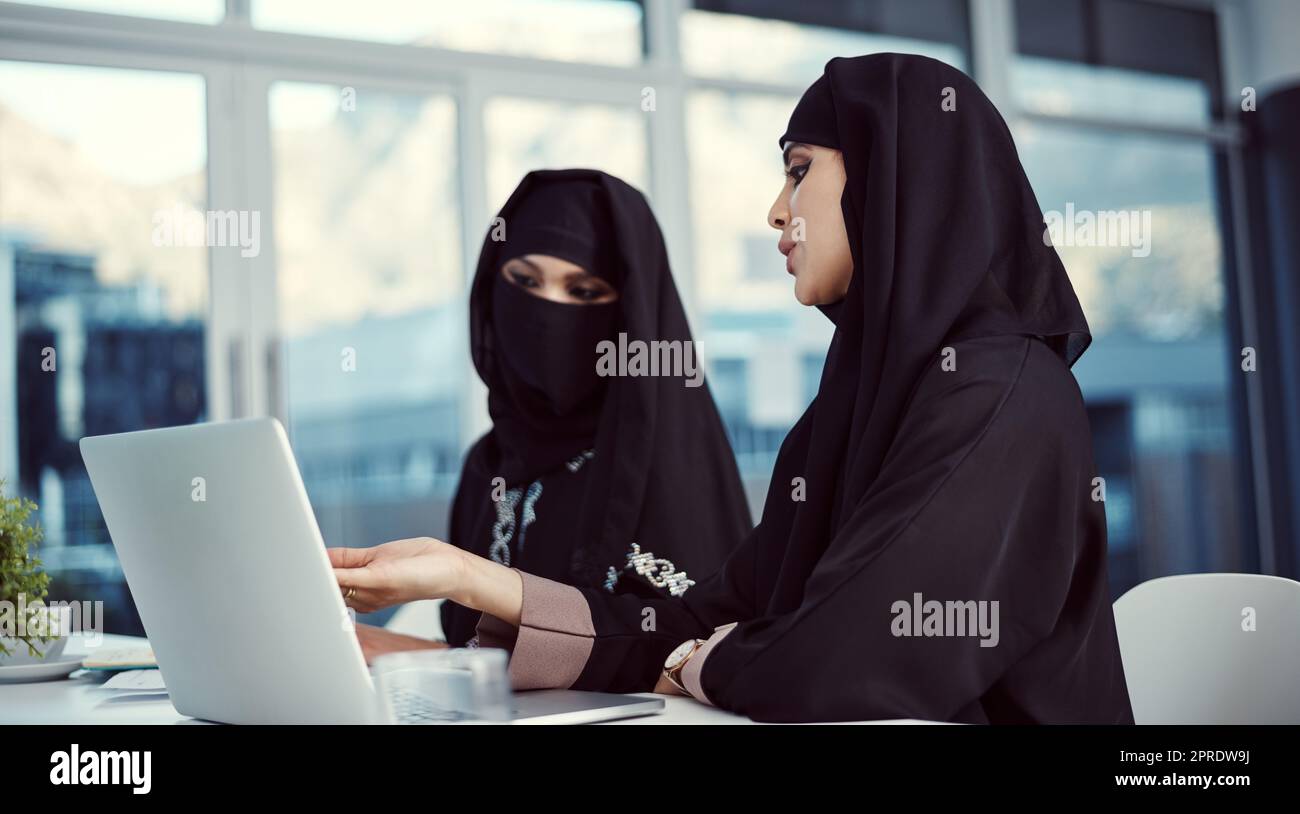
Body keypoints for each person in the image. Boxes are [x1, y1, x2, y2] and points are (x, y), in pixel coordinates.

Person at [332, 56, 1134, 724]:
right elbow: (699, 618)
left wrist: (687, 664)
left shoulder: (1003, 394)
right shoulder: (849, 412)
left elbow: (849, 653)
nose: (776, 211)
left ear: (895, 172)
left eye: (798, 172)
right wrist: (464, 576)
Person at [349, 169, 752, 657]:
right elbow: (476, 651)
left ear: (631, 315)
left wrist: (451, 610)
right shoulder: (490, 463)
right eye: (525, 280)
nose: (547, 311)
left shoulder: (668, 461)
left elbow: (687, 652)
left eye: (583, 292)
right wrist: (390, 653)